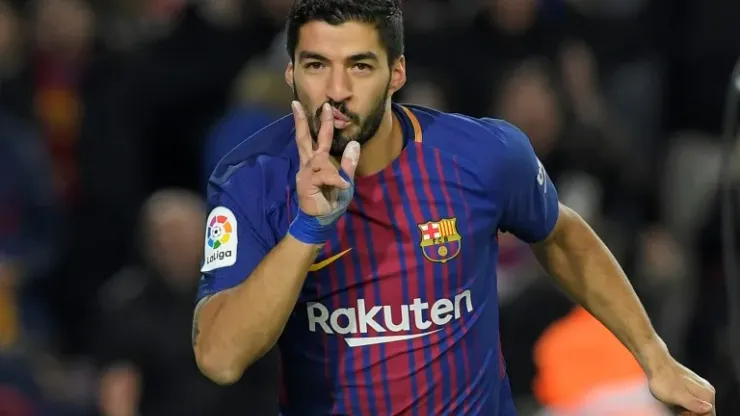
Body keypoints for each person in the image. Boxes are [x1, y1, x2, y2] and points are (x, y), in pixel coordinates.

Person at [191, 1, 716, 415]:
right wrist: (308, 229)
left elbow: (561, 234)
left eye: (360, 66)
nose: (337, 90)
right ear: (290, 74)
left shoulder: (482, 155)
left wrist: (655, 357)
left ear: (396, 73)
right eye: (316, 65)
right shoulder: (252, 178)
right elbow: (219, 358)